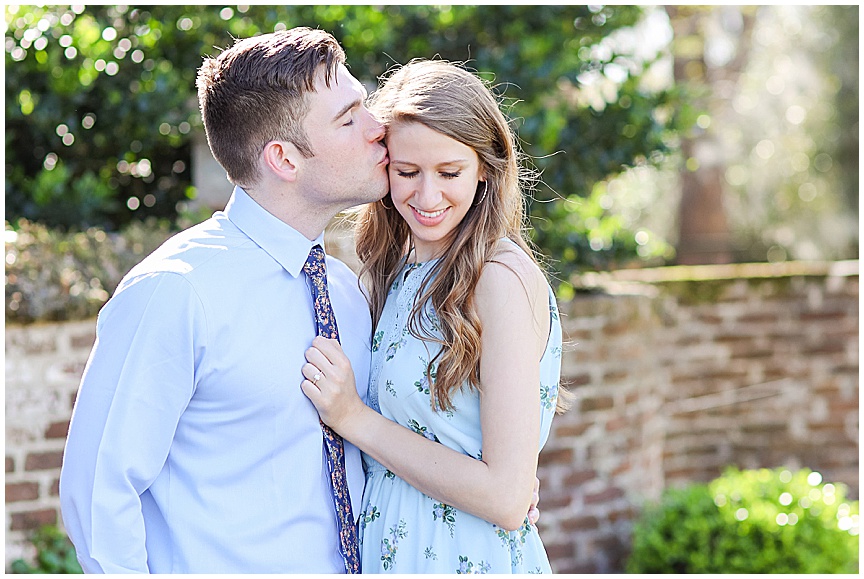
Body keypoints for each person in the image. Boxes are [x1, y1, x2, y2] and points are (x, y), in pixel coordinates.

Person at [59, 28, 539, 574]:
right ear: (284, 158)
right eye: (348, 117)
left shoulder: (351, 293)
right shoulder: (177, 291)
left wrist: (498, 481)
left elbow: (394, 443)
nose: (377, 128)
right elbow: (97, 497)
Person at [300, 59, 569, 574]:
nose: (427, 197)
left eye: (450, 173)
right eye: (406, 172)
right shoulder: (395, 273)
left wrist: (354, 417)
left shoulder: (499, 278)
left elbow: (508, 498)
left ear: (486, 167)